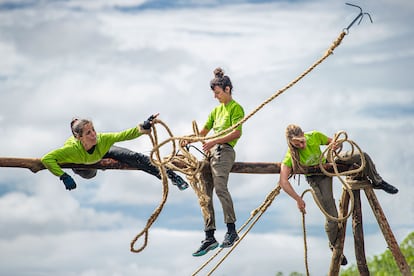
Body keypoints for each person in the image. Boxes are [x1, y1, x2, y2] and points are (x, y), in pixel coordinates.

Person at [278, 124, 398, 266]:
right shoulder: (290, 157)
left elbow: (331, 142)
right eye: (297, 143)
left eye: (302, 140)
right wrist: (298, 199)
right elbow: (283, 181)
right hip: (316, 178)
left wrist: (335, 145)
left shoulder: (314, 136)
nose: (301, 144)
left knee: (361, 156)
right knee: (333, 217)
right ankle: (335, 247)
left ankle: (377, 181)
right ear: (290, 142)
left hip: (329, 163)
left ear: (304, 134)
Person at [41, 114, 189, 191]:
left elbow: (125, 134)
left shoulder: (102, 139)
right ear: (79, 138)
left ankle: (171, 176)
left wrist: (145, 125)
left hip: (101, 153)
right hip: (83, 166)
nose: (94, 135)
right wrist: (63, 176)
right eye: (88, 133)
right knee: (89, 173)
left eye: (93, 130)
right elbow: (47, 159)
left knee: (134, 157)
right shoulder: (70, 150)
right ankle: (88, 164)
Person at [185, 67, 245, 257]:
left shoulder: (236, 108)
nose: (215, 97)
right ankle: (209, 235)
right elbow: (202, 133)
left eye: (217, 93)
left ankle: (231, 230)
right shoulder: (216, 110)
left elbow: (236, 133)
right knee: (205, 193)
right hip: (210, 152)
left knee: (220, 188)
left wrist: (214, 141)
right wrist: (189, 139)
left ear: (227, 89)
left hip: (224, 151)